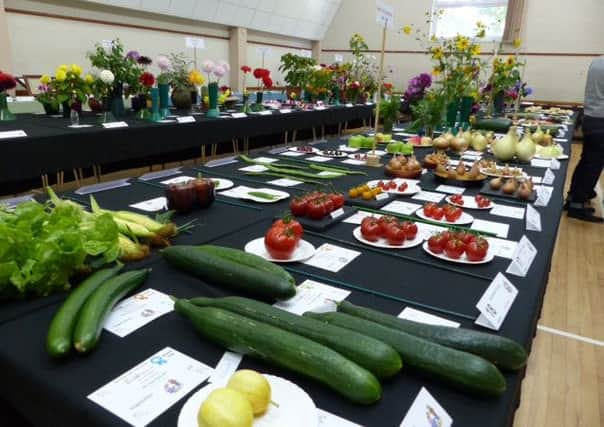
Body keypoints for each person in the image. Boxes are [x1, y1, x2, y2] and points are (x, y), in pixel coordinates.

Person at [565, 56, 604, 222]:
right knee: (593, 165)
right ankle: (577, 205)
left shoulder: (597, 62)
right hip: (601, 119)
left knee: (586, 161)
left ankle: (574, 196)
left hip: (590, 116)